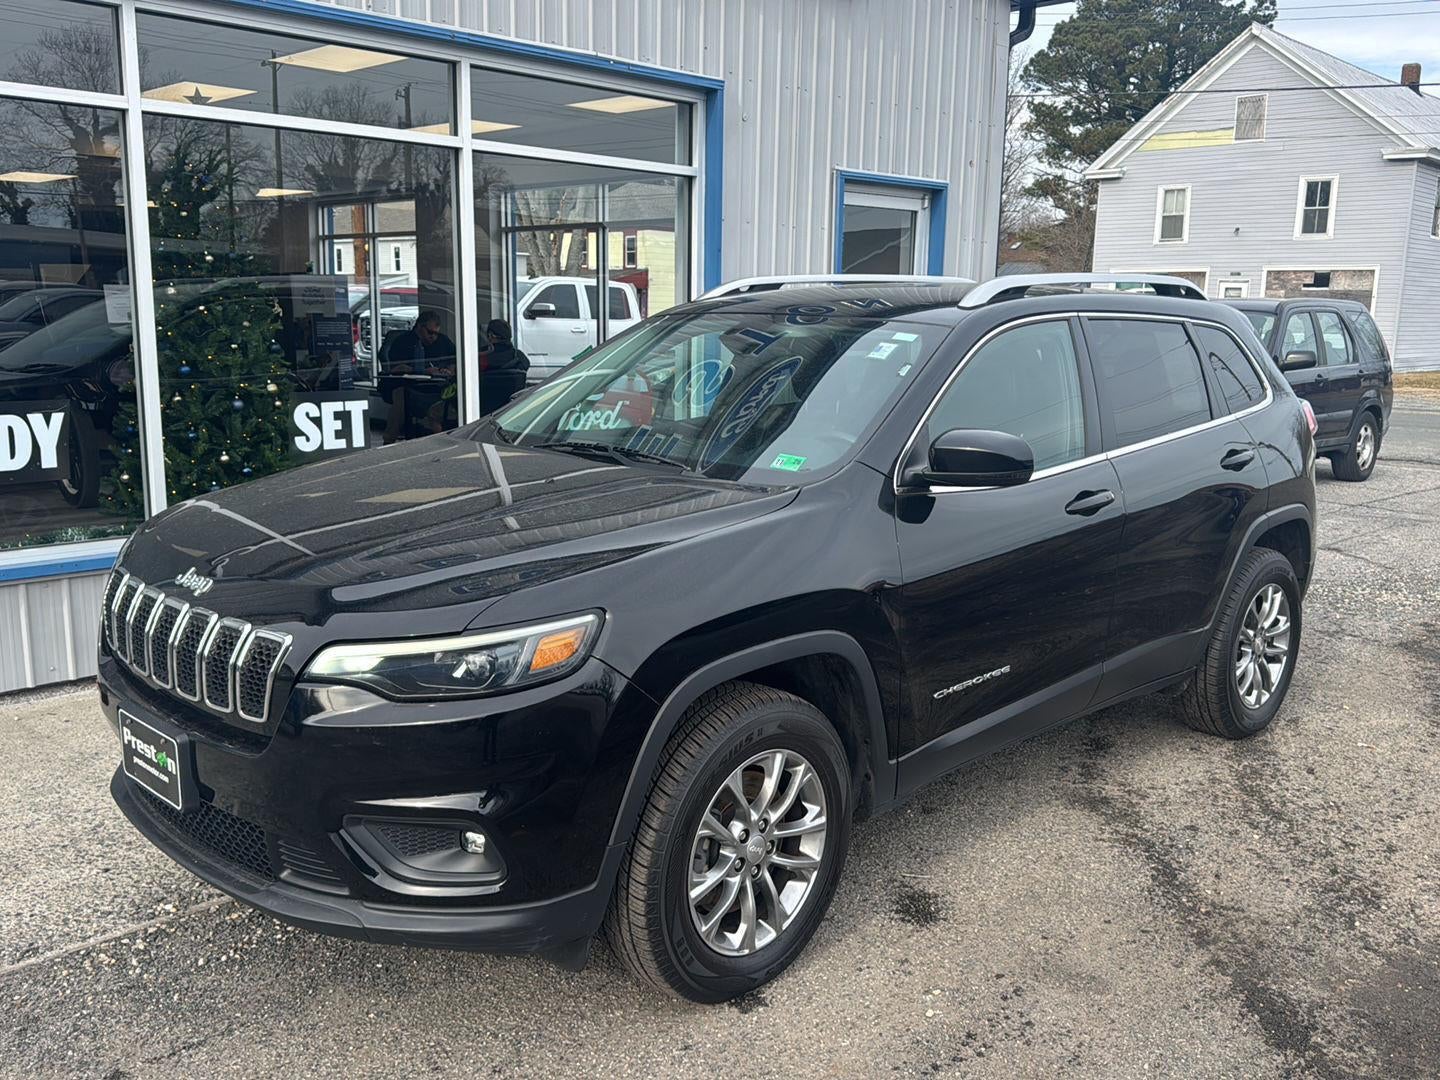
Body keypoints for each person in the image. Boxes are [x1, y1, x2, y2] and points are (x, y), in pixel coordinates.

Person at [382, 310, 455, 442]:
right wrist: (423, 371)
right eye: (430, 332)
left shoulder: (443, 341)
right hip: (407, 386)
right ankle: (389, 440)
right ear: (419, 327)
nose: (434, 337)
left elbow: (454, 361)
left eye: (436, 333)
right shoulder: (402, 341)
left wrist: (448, 371)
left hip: (437, 387)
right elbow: (395, 368)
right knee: (401, 400)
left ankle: (447, 440)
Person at [480, 318, 531, 415]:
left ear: (490, 335)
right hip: (510, 412)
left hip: (483, 412)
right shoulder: (520, 357)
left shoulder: (482, 357)